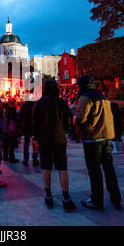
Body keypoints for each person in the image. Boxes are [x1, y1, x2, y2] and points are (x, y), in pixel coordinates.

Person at [75, 75, 122, 211]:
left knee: (94, 171)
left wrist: (75, 119)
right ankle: (116, 198)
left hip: (93, 138)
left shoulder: (85, 97)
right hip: (107, 137)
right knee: (109, 169)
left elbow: (81, 118)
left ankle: (97, 200)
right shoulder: (103, 97)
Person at [32, 79, 76, 211]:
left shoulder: (39, 103)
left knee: (46, 167)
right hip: (59, 138)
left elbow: (34, 122)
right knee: (62, 167)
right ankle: (66, 198)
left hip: (44, 139)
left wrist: (35, 136)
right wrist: (63, 130)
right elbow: (68, 122)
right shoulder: (62, 103)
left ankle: (48, 195)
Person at [20, 93, 39, 166]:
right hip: (34, 126)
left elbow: (21, 116)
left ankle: (26, 159)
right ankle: (35, 158)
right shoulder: (34, 105)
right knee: (35, 143)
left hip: (26, 126)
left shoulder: (23, 106)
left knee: (26, 143)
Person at [4, 98, 20, 163]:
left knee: (6, 143)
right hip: (12, 128)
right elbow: (15, 119)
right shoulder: (13, 109)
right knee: (12, 143)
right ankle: (11, 157)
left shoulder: (7, 109)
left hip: (7, 127)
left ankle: (5, 156)